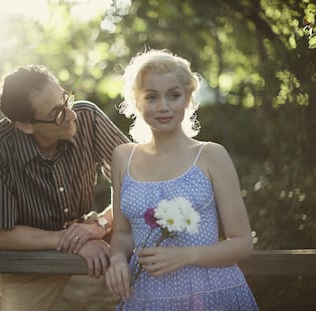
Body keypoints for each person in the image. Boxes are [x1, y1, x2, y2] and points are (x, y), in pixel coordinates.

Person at [105, 49, 259, 310]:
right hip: (145, 295)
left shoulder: (211, 155)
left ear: (188, 98)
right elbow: (122, 233)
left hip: (212, 293)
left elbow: (242, 243)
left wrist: (186, 255)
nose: (164, 106)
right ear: (136, 101)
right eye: (152, 97)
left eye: (174, 95)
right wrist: (118, 259)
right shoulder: (123, 157)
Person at [0, 64, 129, 311]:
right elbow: (0, 234)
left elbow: (139, 179)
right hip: (31, 249)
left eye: (65, 99)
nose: (72, 115)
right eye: (58, 113)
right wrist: (74, 240)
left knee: (155, 243)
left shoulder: (87, 117)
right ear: (25, 125)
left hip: (90, 225)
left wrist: (99, 225)